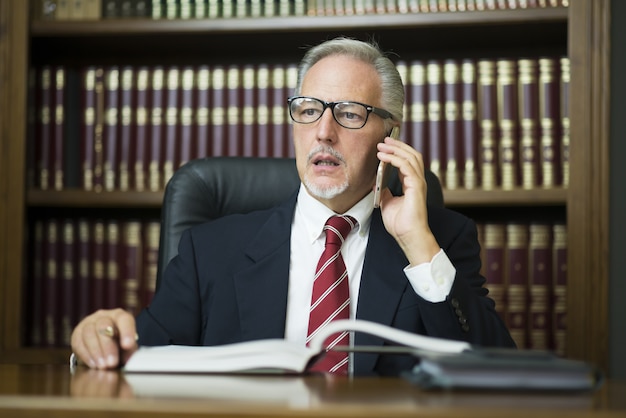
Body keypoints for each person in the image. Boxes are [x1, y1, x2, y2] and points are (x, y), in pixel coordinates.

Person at [71, 37, 515, 376]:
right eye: (308, 110)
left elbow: (494, 373)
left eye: (349, 113)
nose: (323, 132)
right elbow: (136, 363)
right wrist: (98, 341)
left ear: (389, 135)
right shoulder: (209, 250)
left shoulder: (441, 238)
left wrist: (418, 245)